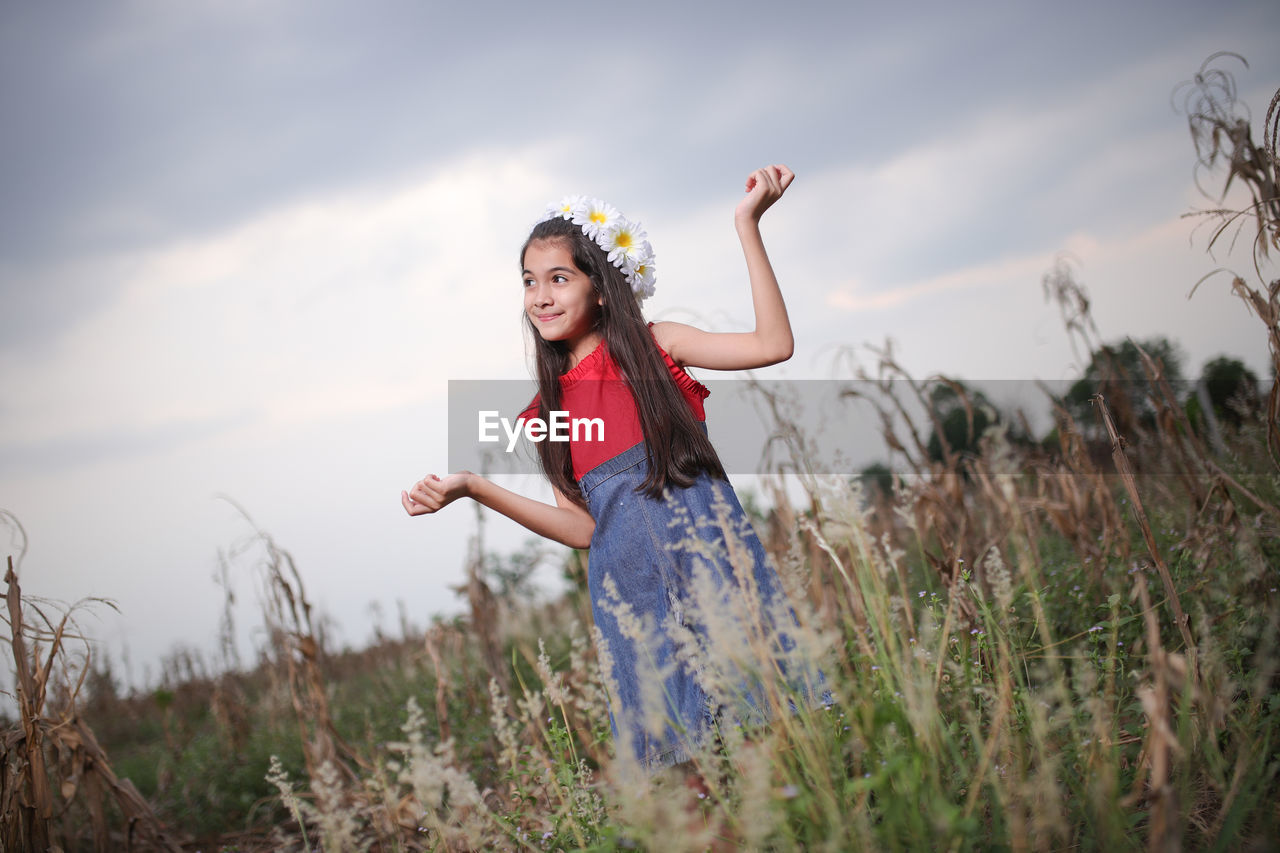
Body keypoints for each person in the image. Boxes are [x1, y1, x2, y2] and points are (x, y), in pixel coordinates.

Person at [402, 165, 809, 771]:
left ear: (601, 284)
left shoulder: (657, 347)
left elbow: (773, 344)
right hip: (634, 600)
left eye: (558, 278)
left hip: (714, 578)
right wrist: (475, 487)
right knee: (683, 771)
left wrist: (747, 225)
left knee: (768, 740)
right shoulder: (548, 414)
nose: (540, 296)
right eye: (529, 281)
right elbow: (584, 530)